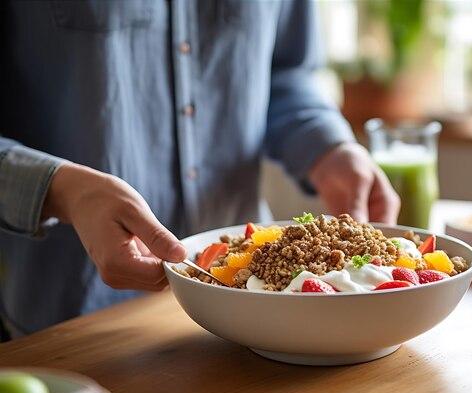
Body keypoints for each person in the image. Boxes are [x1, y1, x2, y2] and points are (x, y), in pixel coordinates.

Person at [0, 0, 399, 338]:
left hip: (258, 318)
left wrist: (328, 148)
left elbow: (285, 71)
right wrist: (61, 190)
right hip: (72, 325)